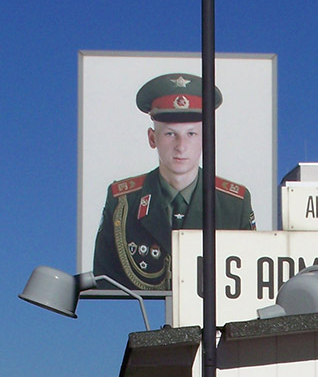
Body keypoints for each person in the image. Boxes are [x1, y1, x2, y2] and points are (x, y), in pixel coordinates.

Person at [92, 72, 255, 294]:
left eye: (191, 134)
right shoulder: (123, 202)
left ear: (207, 139)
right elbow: (105, 287)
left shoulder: (234, 204)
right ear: (152, 138)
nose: (181, 146)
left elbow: (249, 286)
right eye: (170, 134)